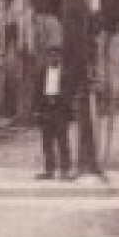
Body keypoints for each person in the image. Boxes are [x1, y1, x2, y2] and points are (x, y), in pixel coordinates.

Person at [31, 45, 73, 180]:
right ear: (47, 57)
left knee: (62, 141)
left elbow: (69, 93)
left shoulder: (65, 74)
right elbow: (37, 92)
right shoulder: (42, 72)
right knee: (47, 142)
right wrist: (36, 110)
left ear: (60, 58)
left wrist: (64, 104)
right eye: (50, 56)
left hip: (60, 111)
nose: (53, 58)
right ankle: (49, 170)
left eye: (56, 56)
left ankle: (65, 170)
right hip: (46, 110)